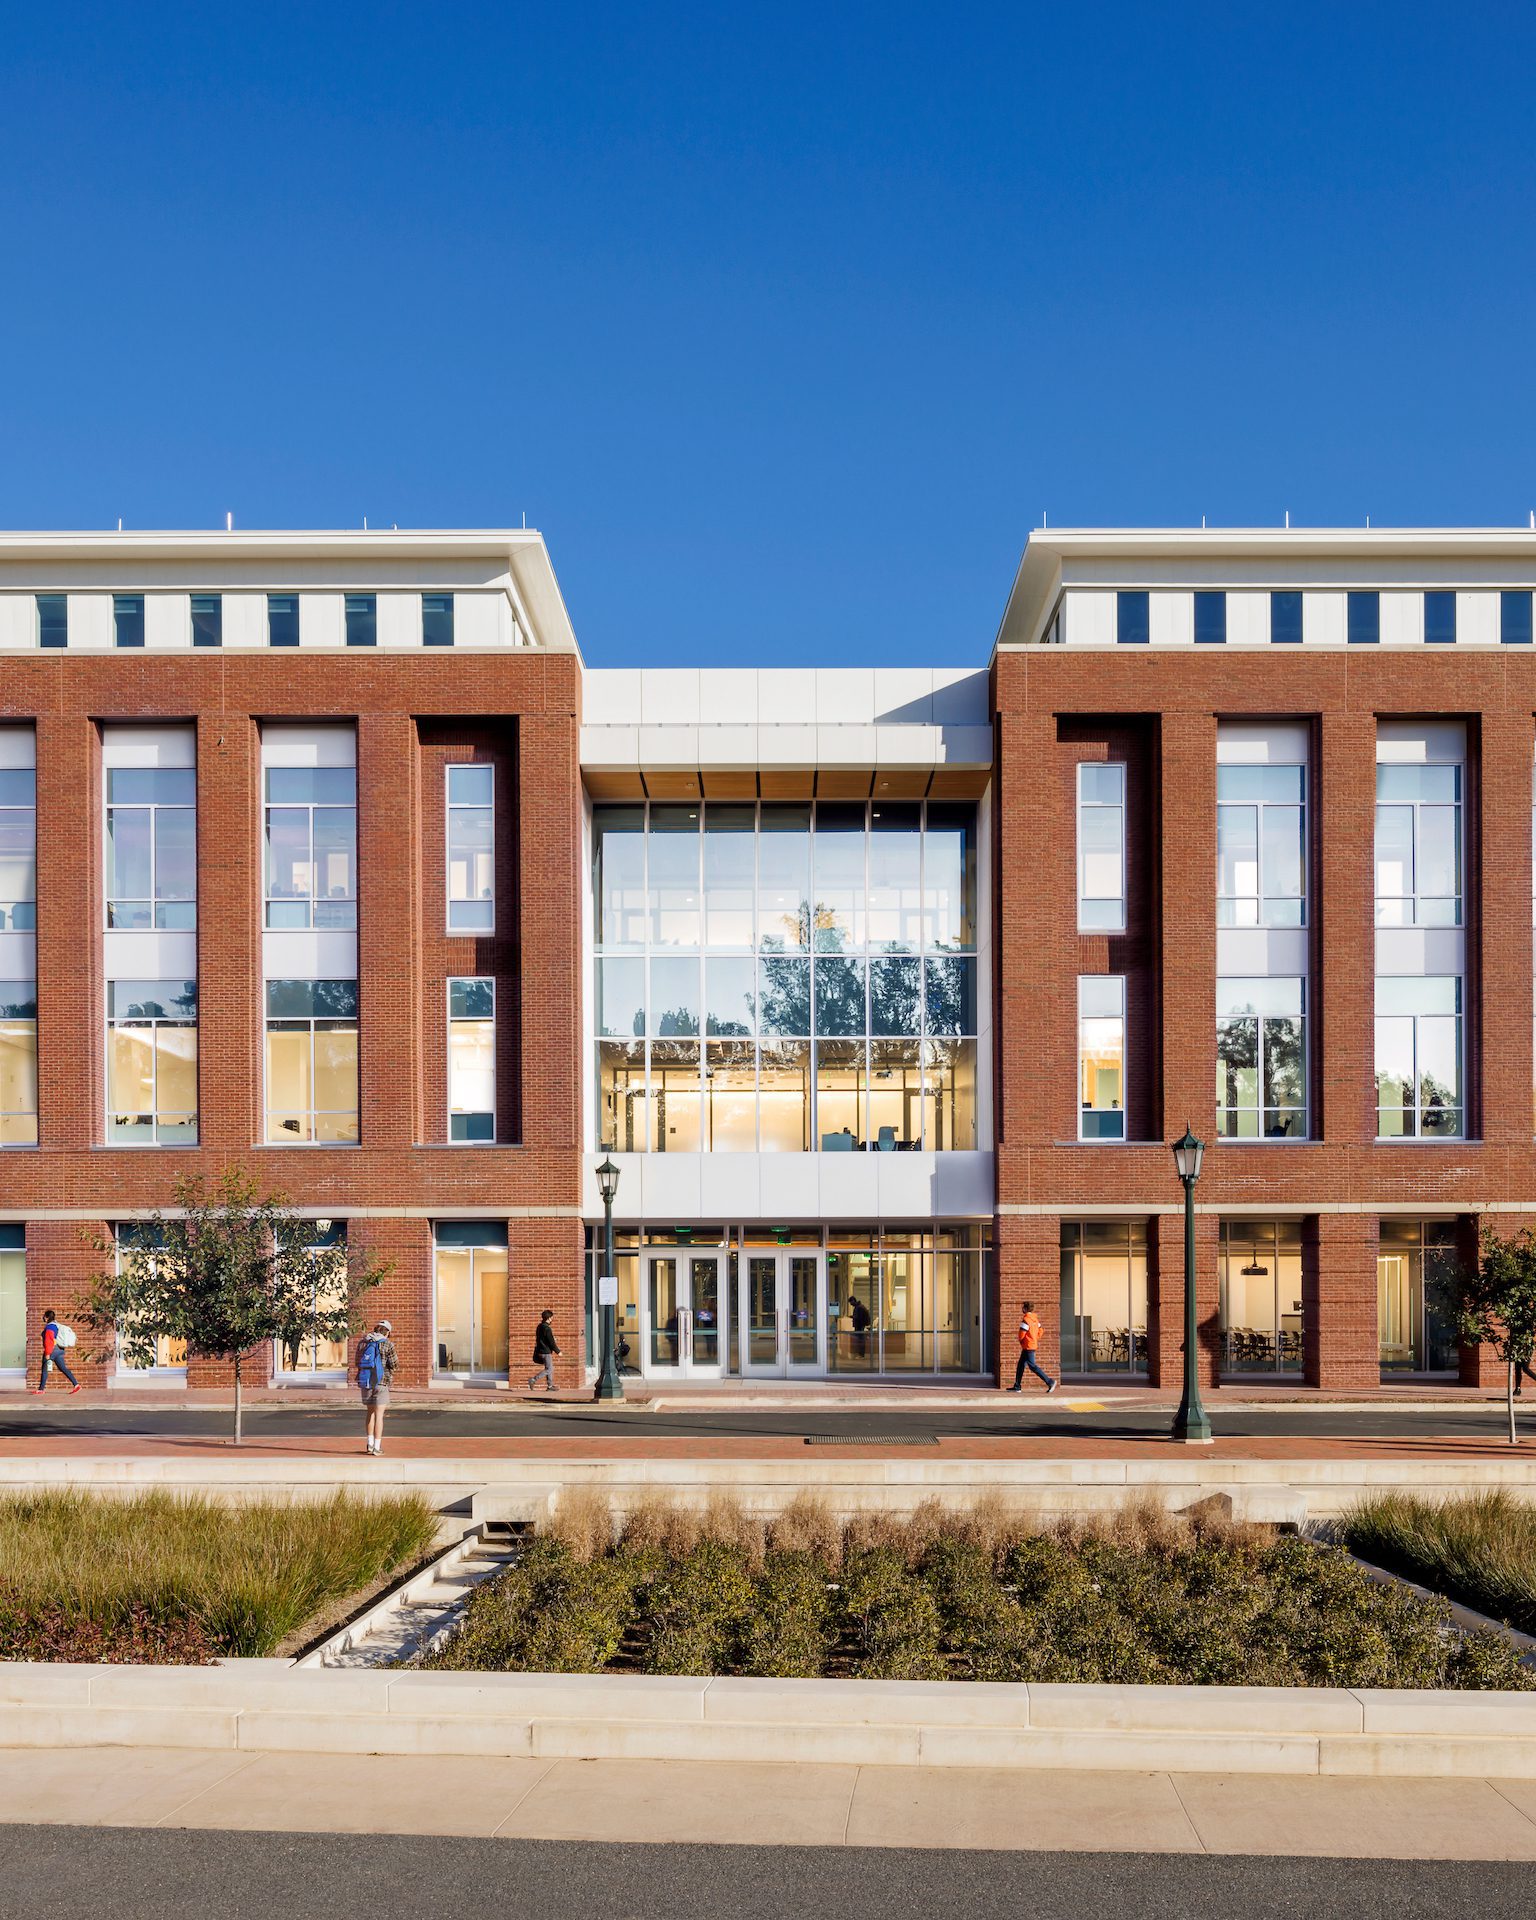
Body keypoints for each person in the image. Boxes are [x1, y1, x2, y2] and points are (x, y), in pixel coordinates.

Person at [357, 1318, 397, 1455]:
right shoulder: (387, 1344)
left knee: (370, 1413)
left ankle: (369, 1444)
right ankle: (377, 1447)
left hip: (366, 1382)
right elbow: (394, 1364)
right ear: (388, 1333)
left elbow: (358, 1361)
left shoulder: (363, 1342)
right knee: (379, 1415)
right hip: (381, 1381)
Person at [1009, 1303, 1058, 1395]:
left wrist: (1023, 1341)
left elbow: (1021, 1335)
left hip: (1028, 1346)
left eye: (1023, 1307)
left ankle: (1050, 1382)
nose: (1022, 1309)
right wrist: (1035, 1338)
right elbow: (1041, 1330)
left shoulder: (1026, 1320)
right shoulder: (1035, 1319)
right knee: (1020, 1365)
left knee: (1032, 1366)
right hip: (1030, 1345)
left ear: (1026, 1309)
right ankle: (1017, 1386)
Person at [34, 1311, 82, 1395]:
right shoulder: (57, 1325)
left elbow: (49, 1340)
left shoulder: (50, 1327)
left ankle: (41, 1389)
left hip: (52, 1350)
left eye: (44, 1317)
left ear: (47, 1317)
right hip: (60, 1350)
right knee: (63, 1368)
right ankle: (76, 1384)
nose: (43, 1318)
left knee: (45, 1370)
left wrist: (48, 1353)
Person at [528, 1309, 560, 1391]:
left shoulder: (539, 1326)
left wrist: (552, 1339)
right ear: (549, 1318)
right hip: (546, 1352)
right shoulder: (547, 1328)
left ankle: (550, 1386)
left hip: (540, 1350)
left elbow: (542, 1339)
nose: (552, 1319)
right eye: (552, 1317)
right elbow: (551, 1342)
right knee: (549, 1369)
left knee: (548, 1368)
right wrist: (558, 1351)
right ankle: (533, 1379)